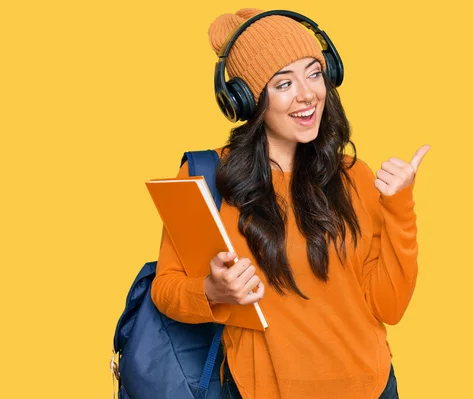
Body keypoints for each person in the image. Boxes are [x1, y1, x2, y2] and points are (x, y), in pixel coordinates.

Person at [151, 8, 429, 399]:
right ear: (246, 100)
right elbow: (166, 289)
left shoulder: (355, 175)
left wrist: (400, 206)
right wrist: (213, 291)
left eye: (314, 73)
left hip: (371, 387)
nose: (307, 94)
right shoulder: (206, 177)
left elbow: (390, 306)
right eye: (283, 83)